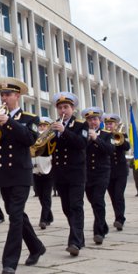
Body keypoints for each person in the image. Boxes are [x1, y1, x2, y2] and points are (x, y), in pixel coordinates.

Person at [0, 78, 45, 274]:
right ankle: (36, 246)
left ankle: (9, 263)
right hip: (4, 174)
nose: (4, 98)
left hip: (21, 173)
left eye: (8, 95)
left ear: (17, 96)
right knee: (17, 214)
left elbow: (31, 140)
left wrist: (9, 122)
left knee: (14, 217)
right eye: (2, 95)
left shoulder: (30, 118)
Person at [50, 92, 88, 257]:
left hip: (76, 172)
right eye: (60, 108)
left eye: (66, 107)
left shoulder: (81, 125)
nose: (63, 110)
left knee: (76, 206)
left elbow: (81, 144)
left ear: (73, 109)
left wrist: (64, 131)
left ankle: (74, 242)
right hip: (60, 173)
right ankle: (80, 236)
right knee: (67, 208)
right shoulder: (55, 125)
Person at [83, 107, 113, 245]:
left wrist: (96, 139)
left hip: (102, 172)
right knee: (93, 201)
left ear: (100, 120)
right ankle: (103, 224)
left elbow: (110, 150)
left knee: (98, 199)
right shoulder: (83, 134)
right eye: (89, 119)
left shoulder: (106, 134)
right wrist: (88, 139)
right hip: (87, 173)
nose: (92, 122)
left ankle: (98, 231)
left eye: (95, 119)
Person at [103, 113, 130, 230]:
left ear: (116, 124)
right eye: (107, 124)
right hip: (109, 170)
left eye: (111, 124)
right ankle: (118, 216)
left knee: (119, 195)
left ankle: (120, 219)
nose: (109, 126)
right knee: (113, 196)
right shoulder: (103, 136)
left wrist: (118, 136)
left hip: (121, 171)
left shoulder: (121, 135)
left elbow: (127, 147)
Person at [32, 116, 54, 230]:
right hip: (35, 170)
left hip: (48, 169)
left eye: (44, 126)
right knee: (40, 196)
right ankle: (49, 216)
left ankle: (43, 219)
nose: (41, 127)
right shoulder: (34, 136)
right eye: (40, 126)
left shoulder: (50, 138)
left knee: (46, 196)